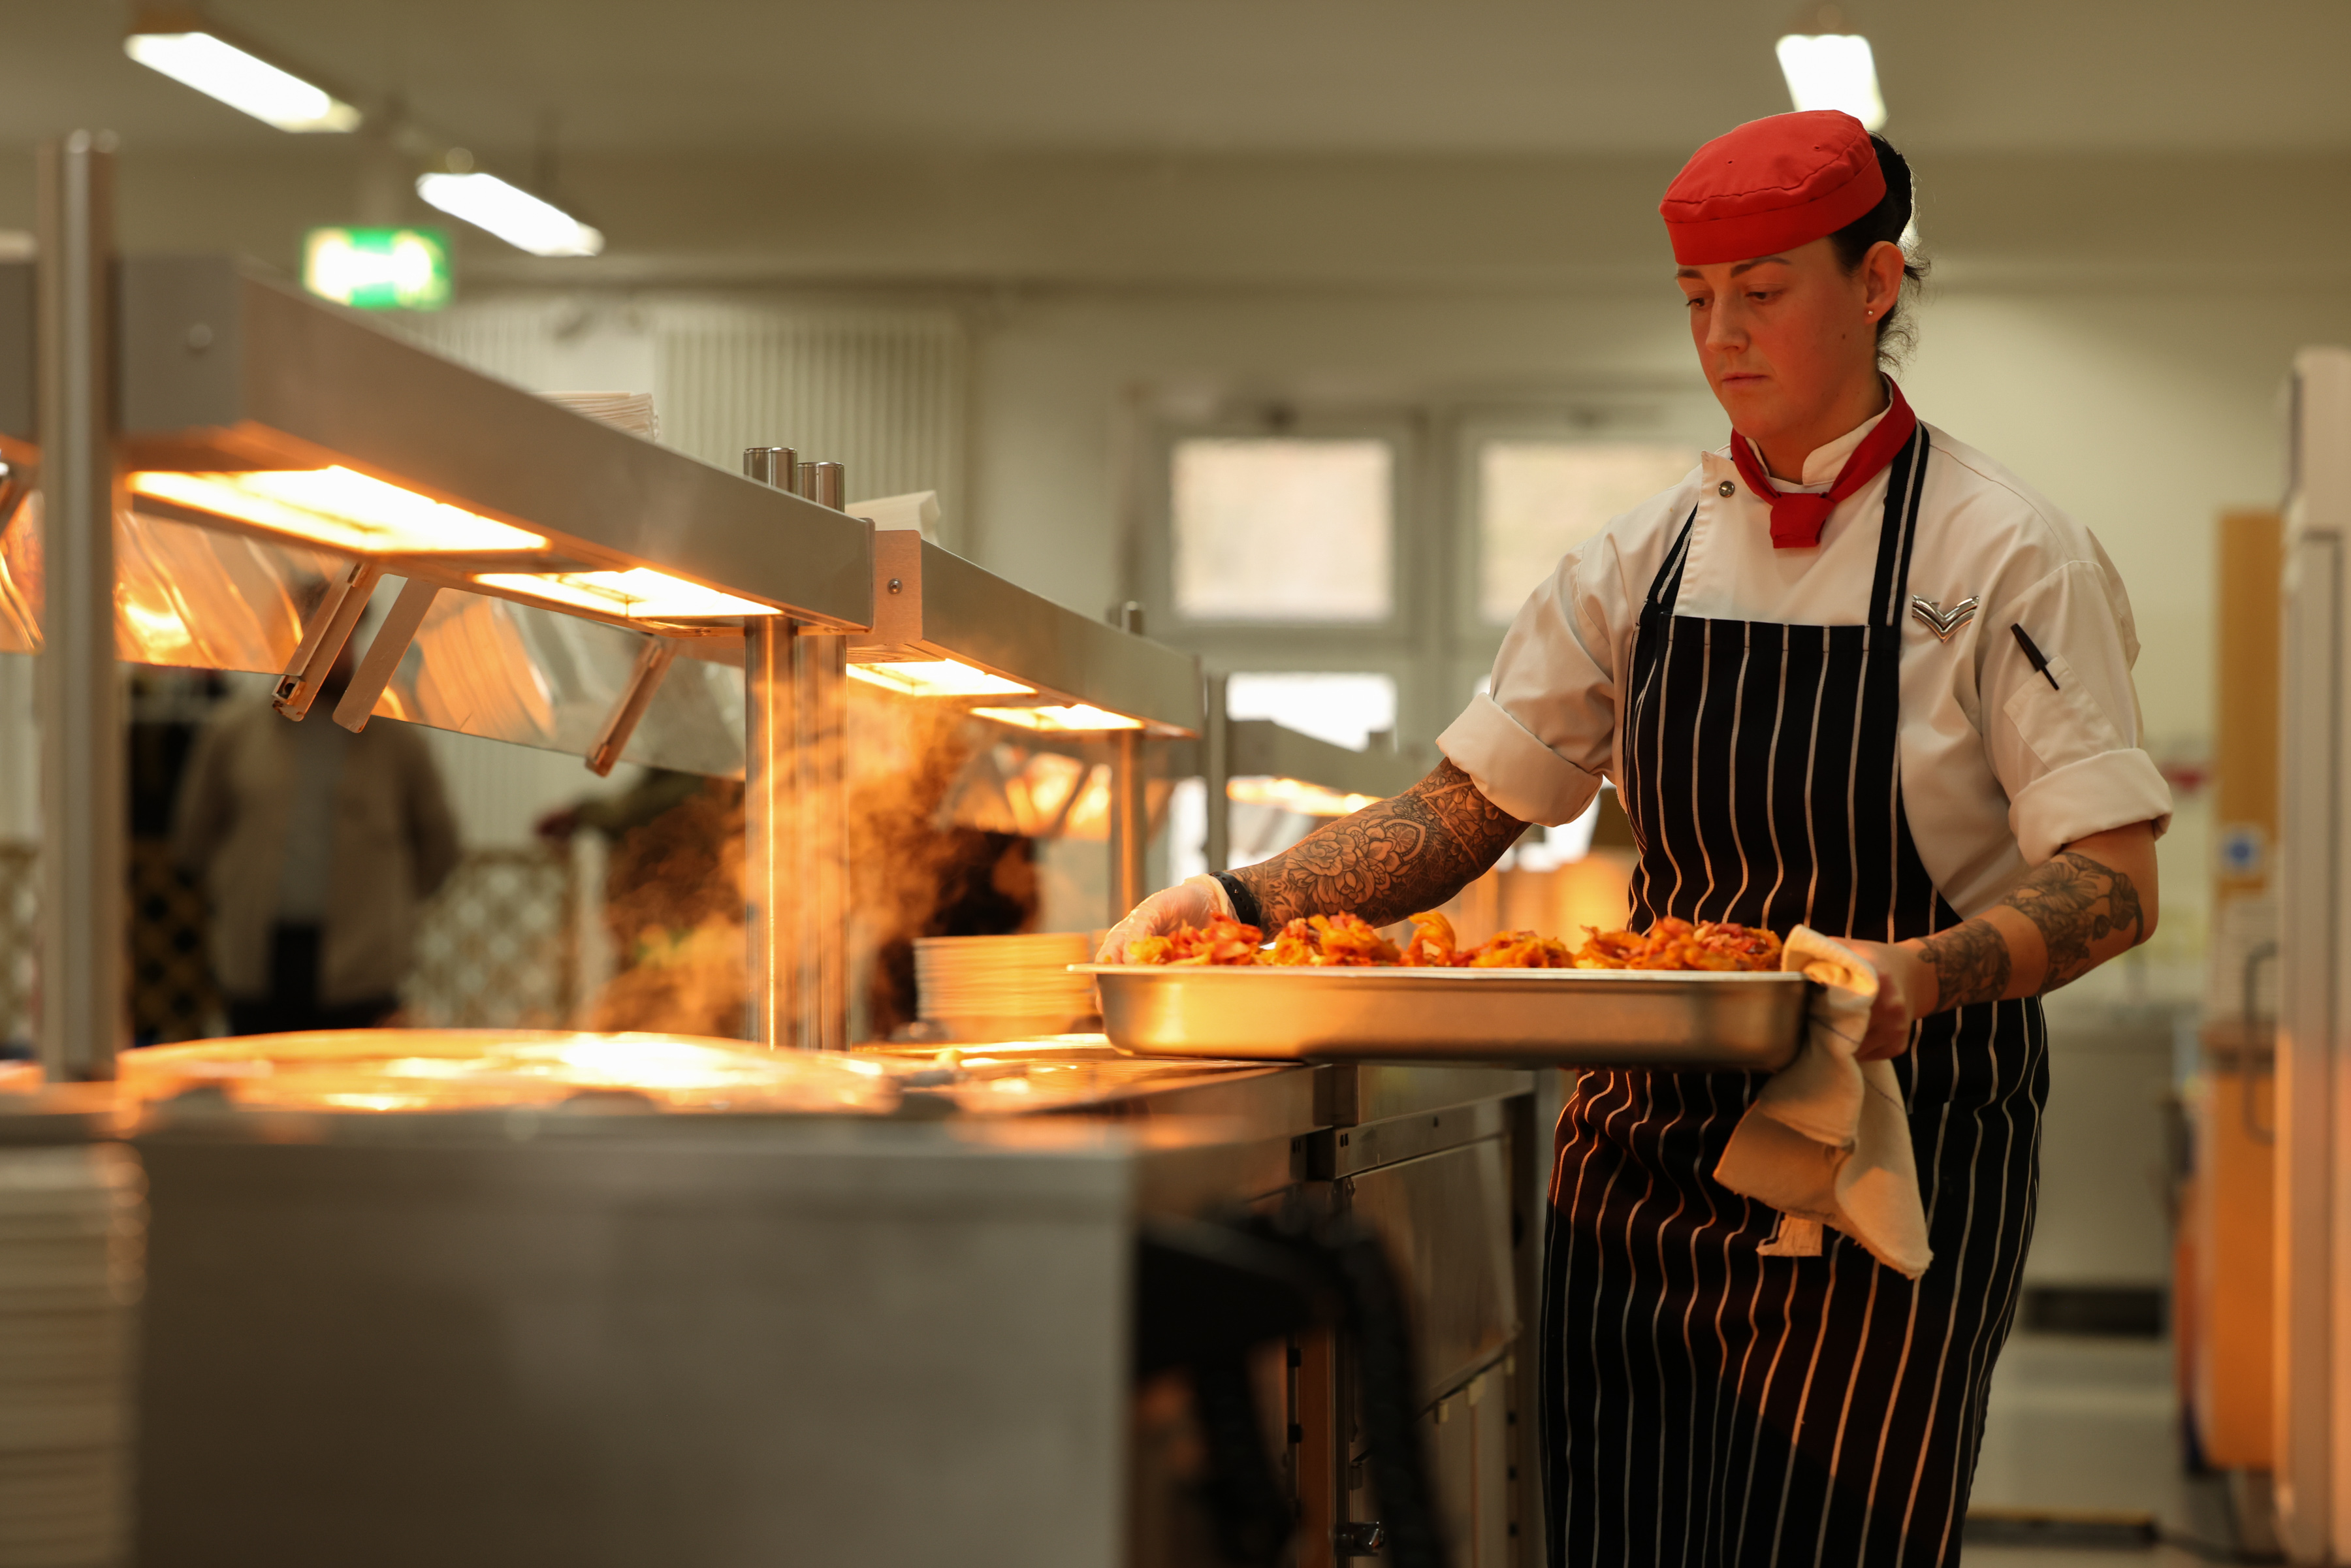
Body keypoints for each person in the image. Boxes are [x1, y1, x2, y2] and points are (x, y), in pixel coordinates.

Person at [1101, 111, 2171, 1565]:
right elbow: (1464, 807)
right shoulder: (1642, 558)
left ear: (1876, 285)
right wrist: (1234, 902)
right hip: (1642, 1162)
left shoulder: (2007, 553)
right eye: (1697, 298)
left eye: (1763, 291)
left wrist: (1920, 972)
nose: (1722, 334)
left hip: (1896, 1143)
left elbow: (2111, 881)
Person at [174, 633, 460, 1034]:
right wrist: (233, 885)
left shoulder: (398, 742)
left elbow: (439, 846)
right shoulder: (234, 732)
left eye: (342, 638)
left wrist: (388, 908)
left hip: (362, 966)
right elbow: (195, 838)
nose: (331, 653)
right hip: (258, 959)